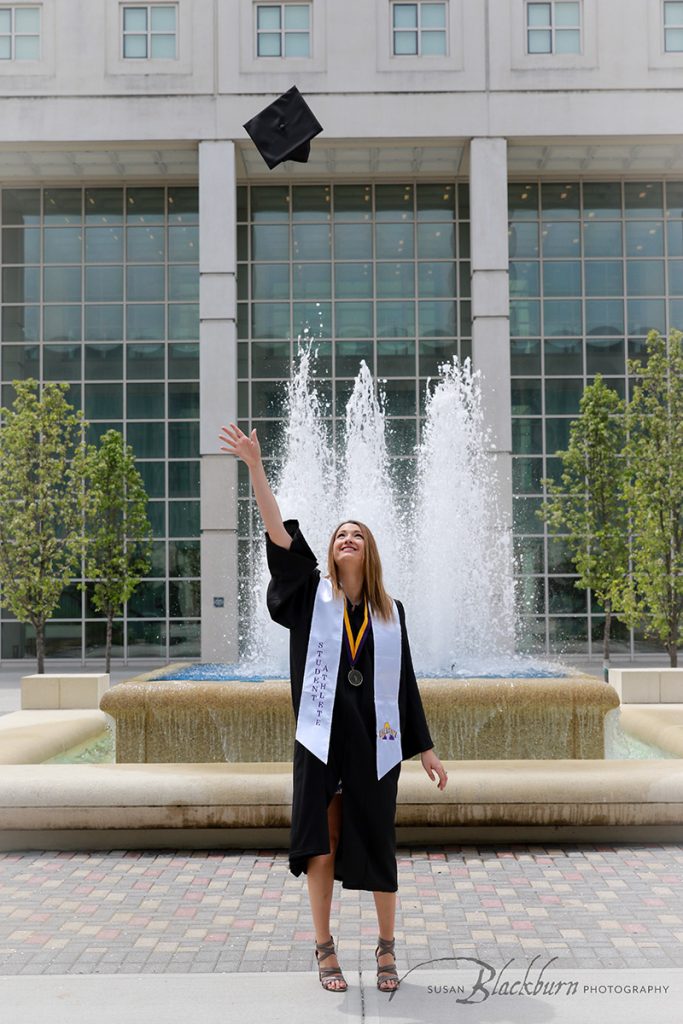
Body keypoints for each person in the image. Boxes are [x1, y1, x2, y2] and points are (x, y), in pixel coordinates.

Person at [219, 422, 448, 994]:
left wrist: (426, 749)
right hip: (319, 740)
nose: (347, 538)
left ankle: (387, 947)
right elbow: (277, 535)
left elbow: (407, 686)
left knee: (378, 842)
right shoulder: (309, 598)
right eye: (340, 533)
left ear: (368, 550)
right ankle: (324, 948)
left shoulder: (390, 612)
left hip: (376, 744)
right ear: (330, 550)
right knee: (320, 845)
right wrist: (255, 467)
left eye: (357, 534)